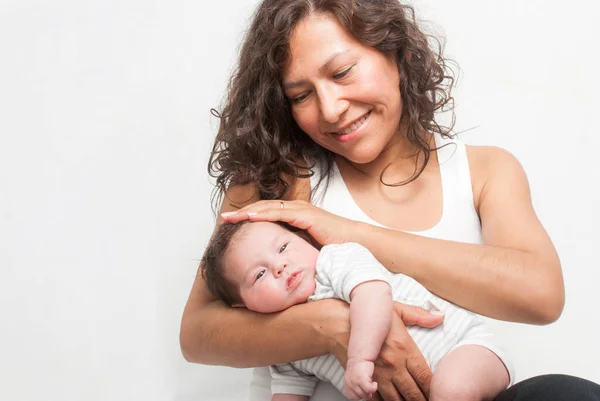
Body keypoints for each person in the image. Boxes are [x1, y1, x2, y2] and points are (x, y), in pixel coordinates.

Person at [180, 0, 600, 400]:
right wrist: (334, 325)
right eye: (300, 95)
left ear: (396, 51)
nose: (330, 109)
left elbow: (542, 295)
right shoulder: (280, 177)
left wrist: (349, 233)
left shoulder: (485, 172)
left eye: (342, 72)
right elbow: (197, 333)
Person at [201, 220, 512, 401]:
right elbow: (287, 393)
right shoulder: (283, 345)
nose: (280, 266)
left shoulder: (335, 261)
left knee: (450, 390)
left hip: (466, 348)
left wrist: (360, 359)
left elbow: (373, 294)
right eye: (259, 275)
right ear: (242, 305)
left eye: (283, 247)